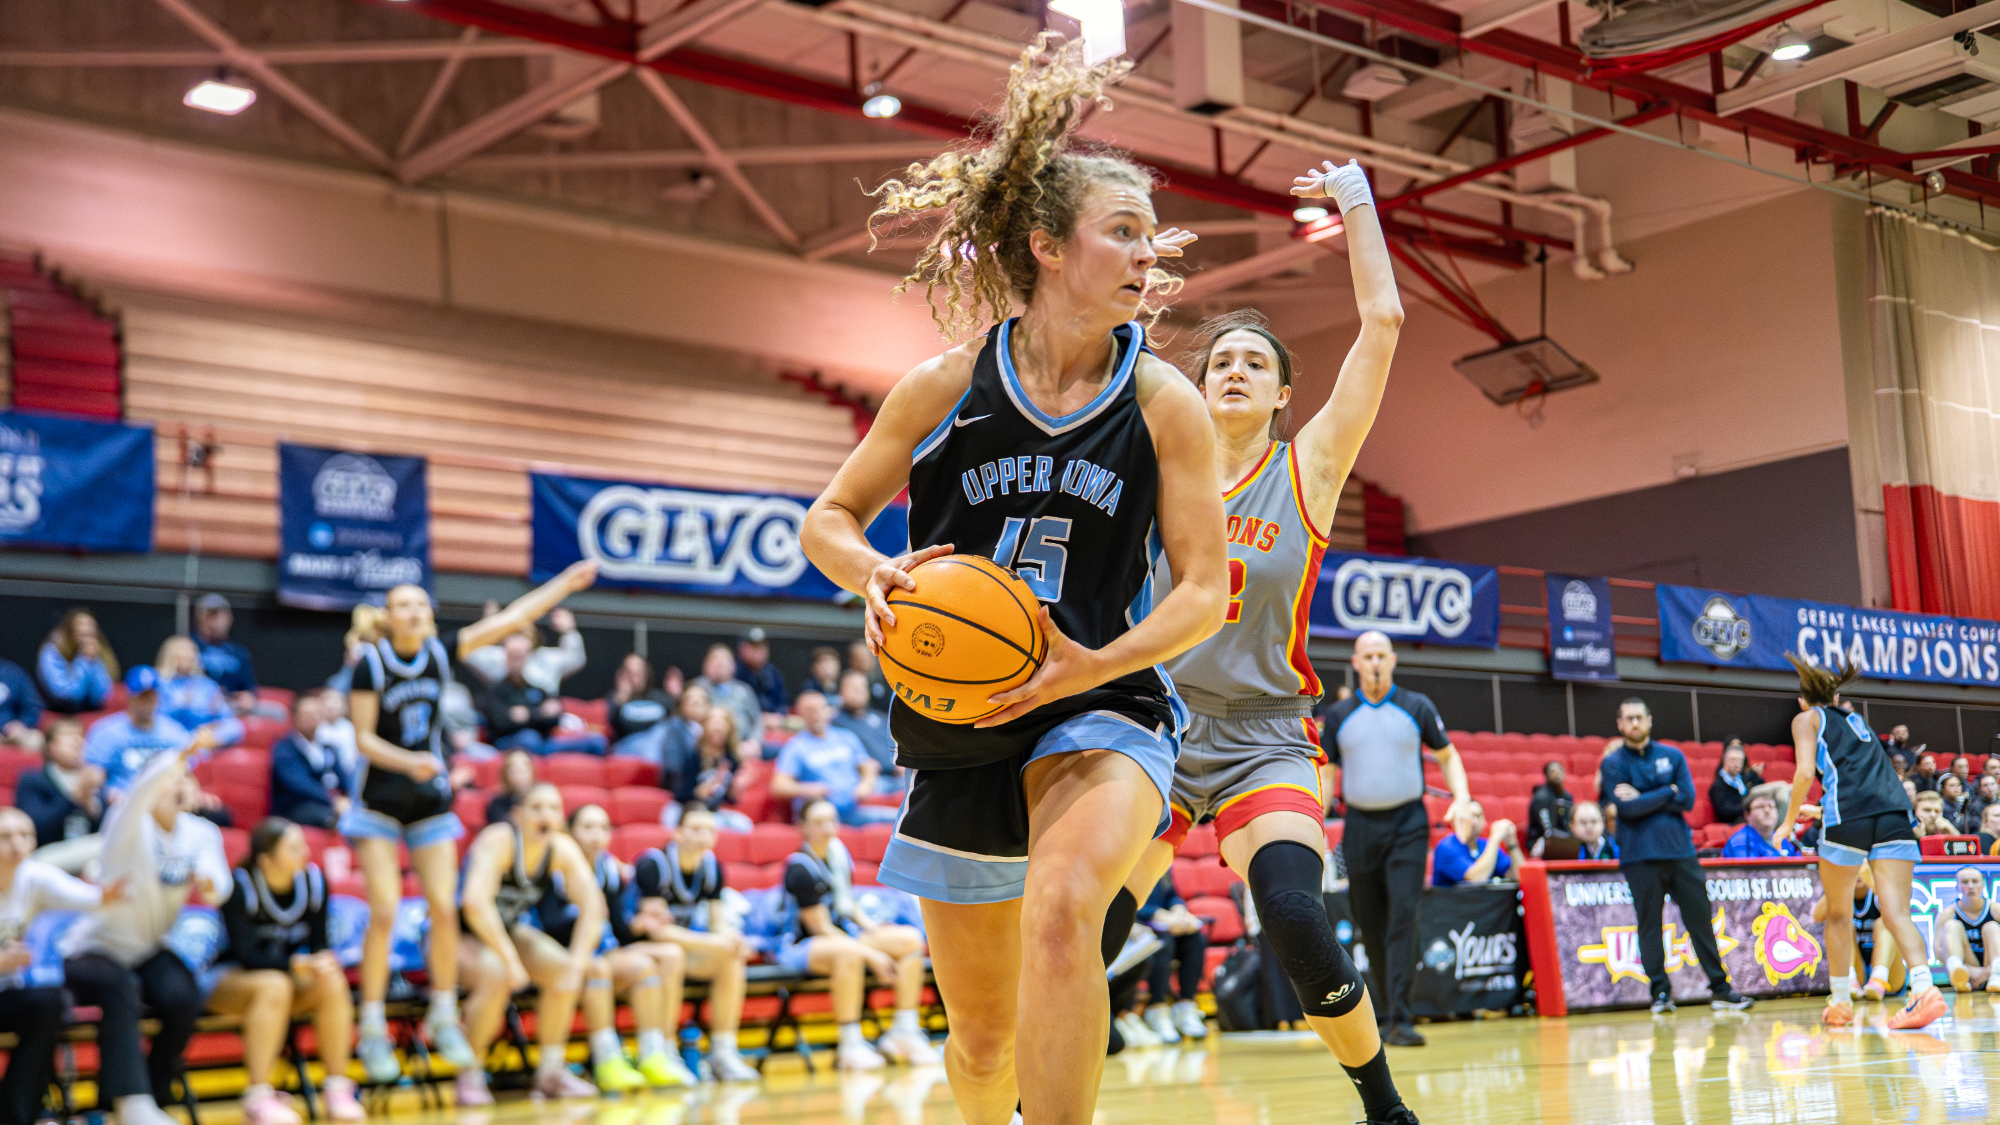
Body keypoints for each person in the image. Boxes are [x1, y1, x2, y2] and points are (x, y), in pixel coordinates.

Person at [801, 36, 1231, 1124]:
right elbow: (827, 521)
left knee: (1061, 911)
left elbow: (1200, 594)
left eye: (1152, 240)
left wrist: (1093, 662)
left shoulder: (1162, 401)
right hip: (958, 712)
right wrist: (876, 573)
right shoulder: (943, 387)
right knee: (982, 1047)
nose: (1149, 259)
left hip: (1101, 697)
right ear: (1045, 244)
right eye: (1122, 234)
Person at [343, 561, 599, 1083]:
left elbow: (510, 620)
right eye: (403, 605)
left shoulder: (440, 653)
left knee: (442, 906)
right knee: (386, 909)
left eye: (420, 603)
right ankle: (370, 1024)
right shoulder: (371, 664)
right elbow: (363, 739)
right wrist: (408, 761)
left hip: (428, 802)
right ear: (388, 618)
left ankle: (442, 1012)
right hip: (379, 800)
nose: (415, 611)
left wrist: (561, 584)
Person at [1315, 632, 1473, 1050]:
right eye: (1367, 656)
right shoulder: (1339, 715)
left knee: (1404, 914)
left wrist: (1462, 798)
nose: (1375, 662)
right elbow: (1328, 773)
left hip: (1408, 824)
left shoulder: (1417, 706)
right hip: (1360, 827)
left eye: (1381, 655)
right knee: (1371, 922)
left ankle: (1402, 1015)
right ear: (1355, 662)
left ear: (1394, 659)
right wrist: (1317, 815)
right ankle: (1384, 1014)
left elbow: (1448, 755)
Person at [60, 743, 229, 1125]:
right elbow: (140, 791)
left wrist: (211, 885)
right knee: (120, 986)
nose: (179, 785)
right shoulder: (128, 823)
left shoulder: (201, 832)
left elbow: (218, 879)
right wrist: (182, 752)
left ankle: (153, 1098)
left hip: (147, 948)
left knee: (184, 997)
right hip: (91, 950)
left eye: (186, 778)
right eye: (171, 779)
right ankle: (130, 1102)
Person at [1772, 656, 1942, 1029]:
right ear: (1834, 696)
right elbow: (1864, 783)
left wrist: (1788, 822)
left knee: (1837, 914)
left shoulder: (1805, 719)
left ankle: (1841, 1003)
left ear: (1803, 700)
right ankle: (1925, 990)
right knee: (1897, 912)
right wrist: (1817, 812)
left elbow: (1803, 773)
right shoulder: (1856, 720)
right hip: (1894, 813)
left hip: (1848, 819)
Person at [1599, 698, 1752, 1015]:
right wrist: (1666, 791)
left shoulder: (1673, 755)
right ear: (1620, 724)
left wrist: (1646, 795)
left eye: (1639, 717)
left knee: (1701, 924)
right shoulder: (1613, 763)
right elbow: (1626, 808)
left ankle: (1721, 991)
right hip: (1639, 856)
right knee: (1649, 926)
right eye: (1628, 719)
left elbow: (1686, 800)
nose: (1635, 723)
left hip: (1681, 852)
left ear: (1650, 720)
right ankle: (1660, 994)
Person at [455, 783, 604, 1103]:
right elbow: (474, 905)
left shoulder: (560, 847)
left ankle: (550, 1073)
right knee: (495, 973)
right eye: (537, 808)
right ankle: (470, 1071)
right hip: (456, 934)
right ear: (518, 815)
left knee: (564, 971)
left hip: (505, 930)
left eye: (553, 808)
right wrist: (510, 960)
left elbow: (594, 906)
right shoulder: (498, 840)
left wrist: (578, 962)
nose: (546, 815)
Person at [210, 818, 363, 1124]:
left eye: (303, 845)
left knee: (329, 978)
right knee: (273, 984)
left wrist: (318, 962)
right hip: (225, 978)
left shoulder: (314, 882)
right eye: (294, 848)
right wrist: (297, 964)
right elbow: (247, 955)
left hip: (284, 980)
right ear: (267, 858)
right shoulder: (239, 885)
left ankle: (337, 1088)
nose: (305, 852)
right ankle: (258, 1097)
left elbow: (320, 945)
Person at [540, 804, 696, 1090]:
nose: (596, 835)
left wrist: (638, 925)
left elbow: (617, 927)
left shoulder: (609, 867)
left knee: (654, 961)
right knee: (601, 967)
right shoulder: (555, 868)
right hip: (565, 952)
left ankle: (656, 1053)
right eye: (587, 827)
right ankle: (607, 1061)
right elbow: (550, 923)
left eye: (603, 827)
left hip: (604, 950)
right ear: (569, 832)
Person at [777, 800, 936, 1070]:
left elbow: (848, 905)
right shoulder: (800, 867)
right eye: (819, 822)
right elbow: (820, 928)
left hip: (842, 936)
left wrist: (875, 932)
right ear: (801, 827)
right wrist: (871, 954)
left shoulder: (838, 856)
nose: (828, 828)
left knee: (908, 938)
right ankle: (850, 1044)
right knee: (848, 953)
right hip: (801, 944)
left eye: (831, 820)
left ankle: (904, 1031)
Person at [0, 806, 117, 1125]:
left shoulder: (34, 876)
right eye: (5, 836)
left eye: (25, 835)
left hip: (8, 993)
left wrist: (121, 885)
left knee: (50, 1002)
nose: (17, 844)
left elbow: (94, 898)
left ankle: (18, 1113)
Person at [629, 806, 761, 1082]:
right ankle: (665, 1052)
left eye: (710, 830)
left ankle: (723, 1052)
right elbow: (657, 931)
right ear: (677, 832)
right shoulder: (653, 864)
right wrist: (712, 943)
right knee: (672, 953)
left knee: (730, 957)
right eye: (696, 829)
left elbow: (717, 923)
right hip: (635, 948)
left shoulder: (712, 866)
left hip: (681, 949)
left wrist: (731, 938)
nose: (704, 836)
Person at [771, 690, 896, 826]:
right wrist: (808, 789)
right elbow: (779, 786)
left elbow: (868, 765)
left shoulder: (845, 737)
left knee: (900, 821)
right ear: (801, 714)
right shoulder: (795, 747)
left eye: (821, 708)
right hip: (822, 817)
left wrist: (865, 784)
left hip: (854, 809)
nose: (817, 714)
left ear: (828, 711)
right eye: (810, 710)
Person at [480, 632, 608, 756]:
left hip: (545, 744)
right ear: (505, 656)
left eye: (520, 655)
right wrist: (538, 713)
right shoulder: (496, 689)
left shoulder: (537, 688)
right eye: (513, 655)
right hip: (510, 745)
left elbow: (554, 718)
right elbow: (499, 722)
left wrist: (527, 714)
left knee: (597, 741)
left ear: (528, 657)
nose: (516, 660)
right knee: (529, 737)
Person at [85, 667, 194, 797]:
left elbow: (186, 772)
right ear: (130, 696)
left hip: (164, 801)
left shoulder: (174, 731)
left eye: (151, 696)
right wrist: (106, 795)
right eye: (142, 696)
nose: (147, 702)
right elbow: (93, 778)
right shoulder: (106, 732)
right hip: (123, 801)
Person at [1133, 873, 1208, 1044]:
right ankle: (1157, 1009)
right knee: (1164, 942)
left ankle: (1186, 1007)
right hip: (1139, 924)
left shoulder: (1162, 860)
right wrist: (1156, 914)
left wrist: (1178, 910)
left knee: (1194, 939)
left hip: (1166, 923)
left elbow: (1172, 895)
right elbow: (1120, 900)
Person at [1812, 862, 1903, 1002]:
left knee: (1886, 922)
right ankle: (1849, 980)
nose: (1858, 872)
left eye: (1862, 866)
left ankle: (1878, 978)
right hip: (1856, 967)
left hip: (1890, 970)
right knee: (1841, 923)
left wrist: (1873, 881)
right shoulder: (1842, 891)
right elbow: (1817, 916)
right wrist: (1841, 882)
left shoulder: (1878, 886)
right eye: (1855, 866)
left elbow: (1900, 912)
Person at [16, 719, 103, 850]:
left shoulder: (92, 779)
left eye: (81, 736)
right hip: (49, 852)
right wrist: (75, 797)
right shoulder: (32, 781)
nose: (77, 742)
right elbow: (36, 828)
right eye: (68, 735)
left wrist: (91, 805)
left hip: (88, 851)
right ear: (51, 747)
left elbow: (106, 829)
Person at [269, 694, 351, 830]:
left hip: (327, 804)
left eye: (315, 713)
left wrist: (349, 799)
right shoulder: (284, 748)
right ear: (294, 717)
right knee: (332, 819)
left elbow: (345, 780)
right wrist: (332, 800)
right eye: (306, 714)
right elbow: (298, 783)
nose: (311, 718)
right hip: (295, 807)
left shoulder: (329, 748)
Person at [192, 594, 279, 718]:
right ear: (201, 617)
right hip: (199, 704)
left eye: (223, 615)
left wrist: (249, 696)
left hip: (232, 704)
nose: (220, 620)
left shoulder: (238, 652)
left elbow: (250, 687)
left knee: (277, 712)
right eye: (212, 614)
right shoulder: (189, 646)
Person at [461, 608, 586, 695]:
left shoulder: (547, 658)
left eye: (526, 633)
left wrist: (569, 631)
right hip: (505, 718)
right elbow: (466, 651)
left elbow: (576, 657)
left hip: (542, 719)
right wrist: (487, 627)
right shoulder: (497, 657)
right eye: (516, 633)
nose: (521, 639)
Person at [154, 636, 246, 749]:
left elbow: (225, 717)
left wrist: (215, 713)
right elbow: (157, 718)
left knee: (235, 727)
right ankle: (194, 746)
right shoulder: (160, 683)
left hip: (204, 733)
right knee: (166, 731)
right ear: (172, 657)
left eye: (192, 655)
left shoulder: (207, 685)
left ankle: (199, 745)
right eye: (184, 656)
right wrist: (182, 706)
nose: (190, 659)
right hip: (175, 732)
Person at [37, 608, 116, 714]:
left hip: (91, 714)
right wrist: (83, 661)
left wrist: (94, 662)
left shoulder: (97, 652)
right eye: (81, 625)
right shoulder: (53, 651)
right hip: (60, 714)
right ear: (69, 630)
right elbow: (67, 696)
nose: (86, 630)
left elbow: (101, 696)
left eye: (90, 626)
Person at [832, 668, 901, 790]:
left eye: (863, 687)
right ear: (840, 692)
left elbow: (897, 743)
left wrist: (902, 762)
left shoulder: (880, 717)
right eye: (853, 688)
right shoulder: (835, 722)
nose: (859, 691)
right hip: (867, 780)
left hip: (897, 775)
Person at [668, 707, 743, 817]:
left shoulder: (733, 759)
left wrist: (734, 791)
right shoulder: (693, 754)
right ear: (706, 726)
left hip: (716, 812)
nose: (718, 727)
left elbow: (729, 800)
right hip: (690, 809)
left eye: (722, 722)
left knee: (743, 824)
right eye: (714, 722)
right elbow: (679, 793)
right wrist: (699, 792)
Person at [1936, 866, 2000, 993]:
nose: (1970, 886)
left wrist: (1988, 970)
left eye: (1975, 881)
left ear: (1982, 885)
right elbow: (1937, 949)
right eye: (1965, 882)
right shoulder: (1947, 913)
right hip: (1967, 968)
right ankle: (1958, 972)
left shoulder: (1995, 910)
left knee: (1991, 927)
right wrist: (1968, 970)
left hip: (1991, 965)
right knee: (1951, 925)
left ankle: (1997, 974)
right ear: (1957, 886)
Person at [693, 644, 763, 756]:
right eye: (715, 659)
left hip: (744, 745)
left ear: (733, 666)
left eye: (724, 660)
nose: (719, 664)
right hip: (709, 746)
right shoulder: (697, 688)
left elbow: (757, 721)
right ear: (706, 664)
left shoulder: (744, 690)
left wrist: (754, 742)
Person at [1432, 801, 1523, 887]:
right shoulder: (1447, 847)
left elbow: (1518, 876)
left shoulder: (1485, 845)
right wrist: (1494, 839)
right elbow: (1477, 879)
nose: (1474, 821)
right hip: (1454, 902)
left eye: (1478, 816)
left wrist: (1512, 843)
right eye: (1469, 816)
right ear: (1456, 820)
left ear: (1484, 821)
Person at [605, 654, 672, 755]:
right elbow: (614, 729)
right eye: (629, 673)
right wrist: (621, 700)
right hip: (628, 745)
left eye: (638, 672)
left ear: (646, 673)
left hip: (658, 743)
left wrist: (676, 696)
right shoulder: (615, 699)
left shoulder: (660, 698)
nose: (634, 678)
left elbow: (676, 719)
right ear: (622, 675)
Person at [1718, 792, 1803, 858]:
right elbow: (1750, 875)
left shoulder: (1781, 839)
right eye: (1760, 807)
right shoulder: (1740, 842)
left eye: (1771, 806)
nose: (1767, 810)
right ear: (1747, 815)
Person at [1707, 742, 1763, 826]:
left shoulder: (1743, 779)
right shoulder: (1718, 786)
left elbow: (1762, 784)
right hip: (1736, 822)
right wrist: (1749, 806)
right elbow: (1725, 812)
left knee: (1783, 789)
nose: (1738, 765)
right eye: (1734, 760)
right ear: (1725, 761)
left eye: (1741, 761)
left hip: (1751, 817)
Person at [735, 628, 788, 718]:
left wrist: (777, 717)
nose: (758, 652)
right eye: (754, 647)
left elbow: (783, 703)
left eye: (761, 647)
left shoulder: (773, 673)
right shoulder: (734, 672)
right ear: (743, 649)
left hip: (774, 724)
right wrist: (761, 718)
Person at [1525, 761, 1572, 853]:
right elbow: (1546, 829)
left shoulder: (1567, 796)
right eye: (1552, 771)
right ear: (1546, 775)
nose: (1557, 773)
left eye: (1559, 770)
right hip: (1540, 839)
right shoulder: (1541, 797)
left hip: (1562, 838)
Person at [483, 749, 538, 828]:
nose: (519, 769)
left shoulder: (542, 800)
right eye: (512, 766)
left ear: (532, 770)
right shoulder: (497, 804)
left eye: (525, 765)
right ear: (505, 773)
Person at [0, 657, 43, 752]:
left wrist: (23, 723)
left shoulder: (12, 673)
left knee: (36, 740)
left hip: (9, 733)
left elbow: (32, 706)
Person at [847, 640, 892, 713]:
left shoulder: (884, 681)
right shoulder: (846, 681)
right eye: (859, 658)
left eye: (866, 657)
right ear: (852, 660)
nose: (863, 661)